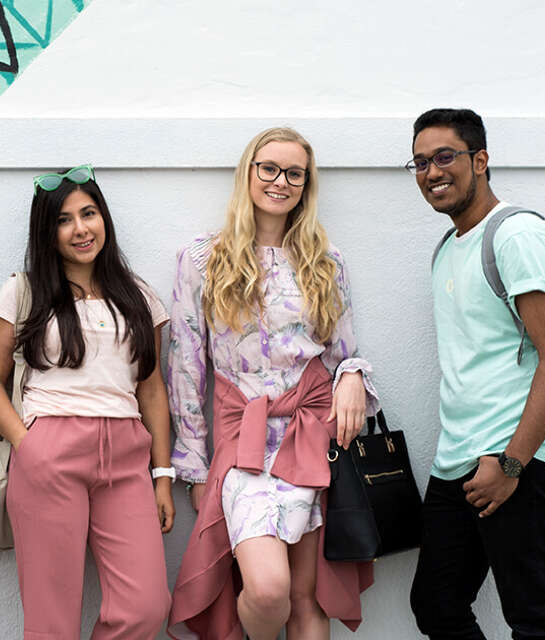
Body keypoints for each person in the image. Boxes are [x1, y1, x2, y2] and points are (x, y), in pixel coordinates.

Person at [167, 127, 378, 640]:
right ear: (249, 172)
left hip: (312, 442)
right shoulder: (203, 260)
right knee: (267, 590)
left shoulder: (326, 264)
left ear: (306, 185)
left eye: (294, 173)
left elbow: (342, 353)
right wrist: (193, 467)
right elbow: (185, 366)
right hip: (243, 448)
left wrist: (352, 376)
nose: (280, 181)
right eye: (269, 168)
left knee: (308, 600)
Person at [0, 164, 175, 640]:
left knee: (146, 607)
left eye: (89, 213)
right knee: (52, 621)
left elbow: (151, 389)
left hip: (126, 459)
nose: (81, 228)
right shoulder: (23, 291)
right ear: (47, 231)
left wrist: (162, 476)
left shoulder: (139, 295)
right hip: (49, 453)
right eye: (64, 219)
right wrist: (29, 445)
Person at [407, 108, 545, 640]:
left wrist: (512, 463)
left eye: (445, 156)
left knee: (535, 619)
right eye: (419, 162)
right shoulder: (448, 248)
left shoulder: (516, 235)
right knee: (437, 605)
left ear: (480, 161)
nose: (432, 172)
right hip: (460, 457)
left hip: (520, 459)